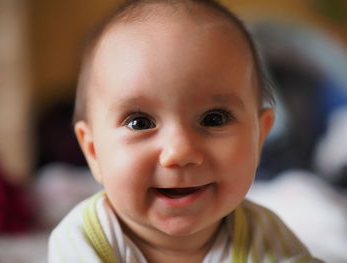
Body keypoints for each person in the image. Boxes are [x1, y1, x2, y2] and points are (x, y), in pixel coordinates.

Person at [48, 0, 323, 262]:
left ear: (259, 137)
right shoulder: (85, 240)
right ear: (93, 151)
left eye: (214, 119)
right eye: (140, 123)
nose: (180, 151)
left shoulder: (263, 235)